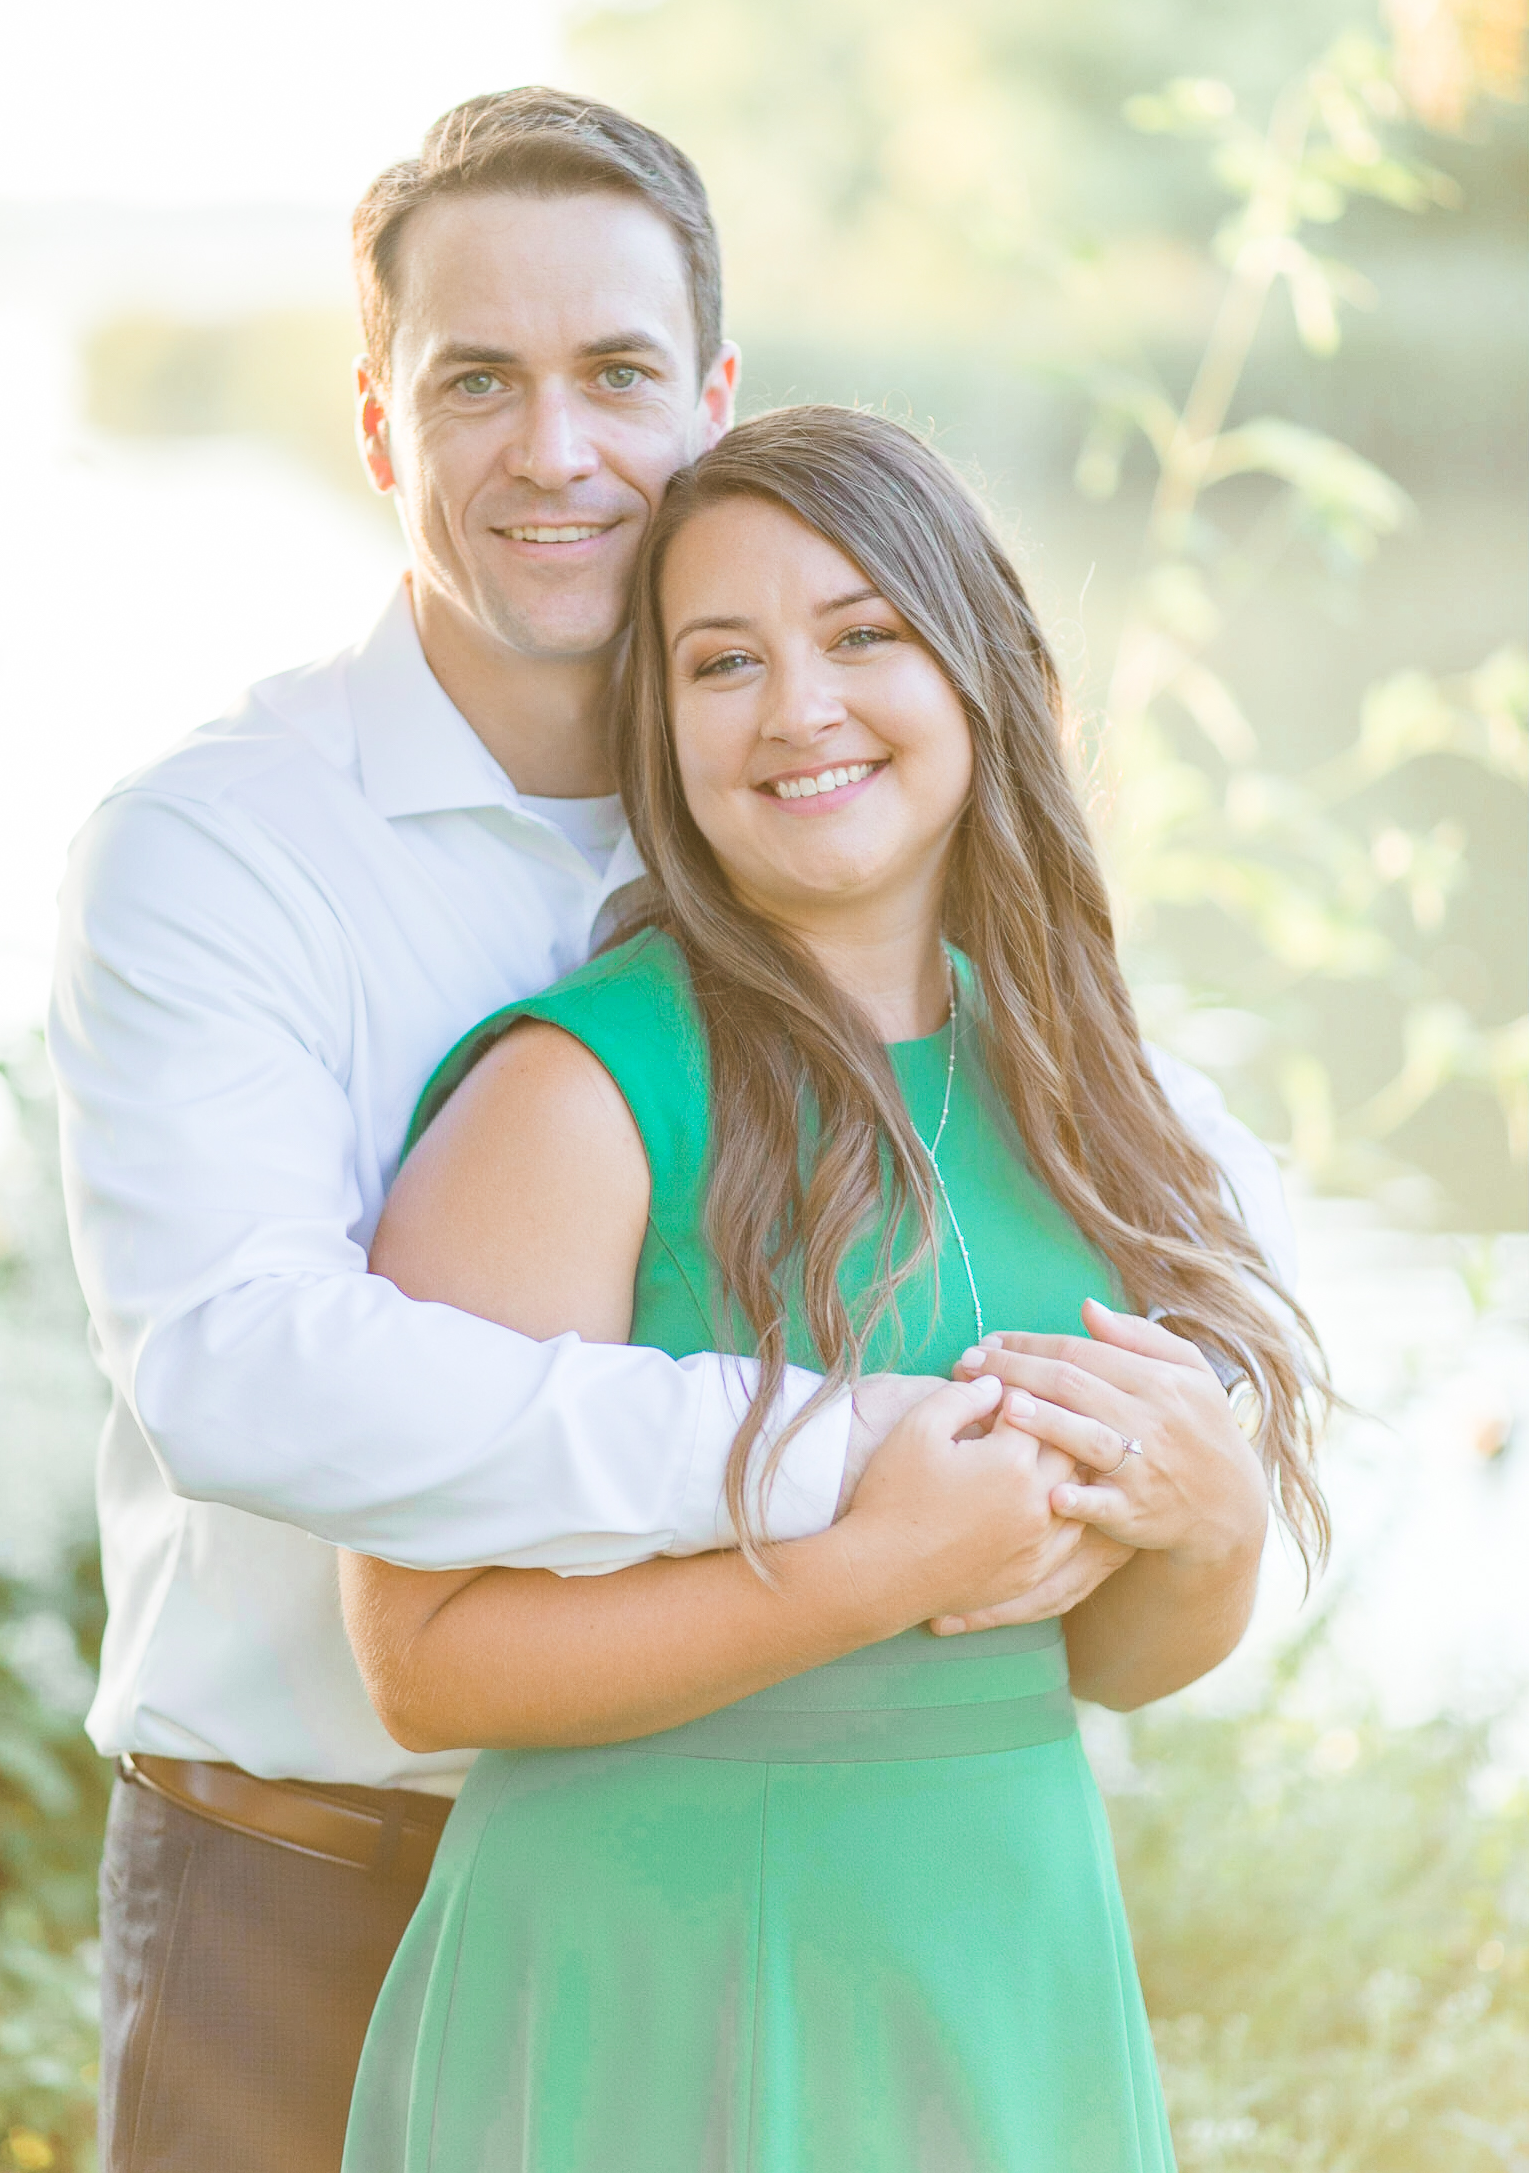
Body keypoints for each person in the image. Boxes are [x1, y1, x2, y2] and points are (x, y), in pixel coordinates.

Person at [50, 90, 1297, 2173]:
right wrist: (853, 1469)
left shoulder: (799, 789)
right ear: (378, 426)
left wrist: (1205, 1467)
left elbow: (1172, 1273)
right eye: (476, 383)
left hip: (861, 1880)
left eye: (615, 372)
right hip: (317, 1861)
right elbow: (240, 1372)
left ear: (707, 397)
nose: (555, 448)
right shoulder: (217, 847)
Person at [337, 407, 1327, 2173]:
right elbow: (419, 1662)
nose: (799, 708)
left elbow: (1108, 1660)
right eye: (725, 662)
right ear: (662, 731)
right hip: (645, 1973)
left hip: (996, 1962)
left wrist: (1216, 1514)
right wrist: (868, 1570)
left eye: (862, 634)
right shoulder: (574, 1098)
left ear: (979, 668)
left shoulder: (1087, 1090)